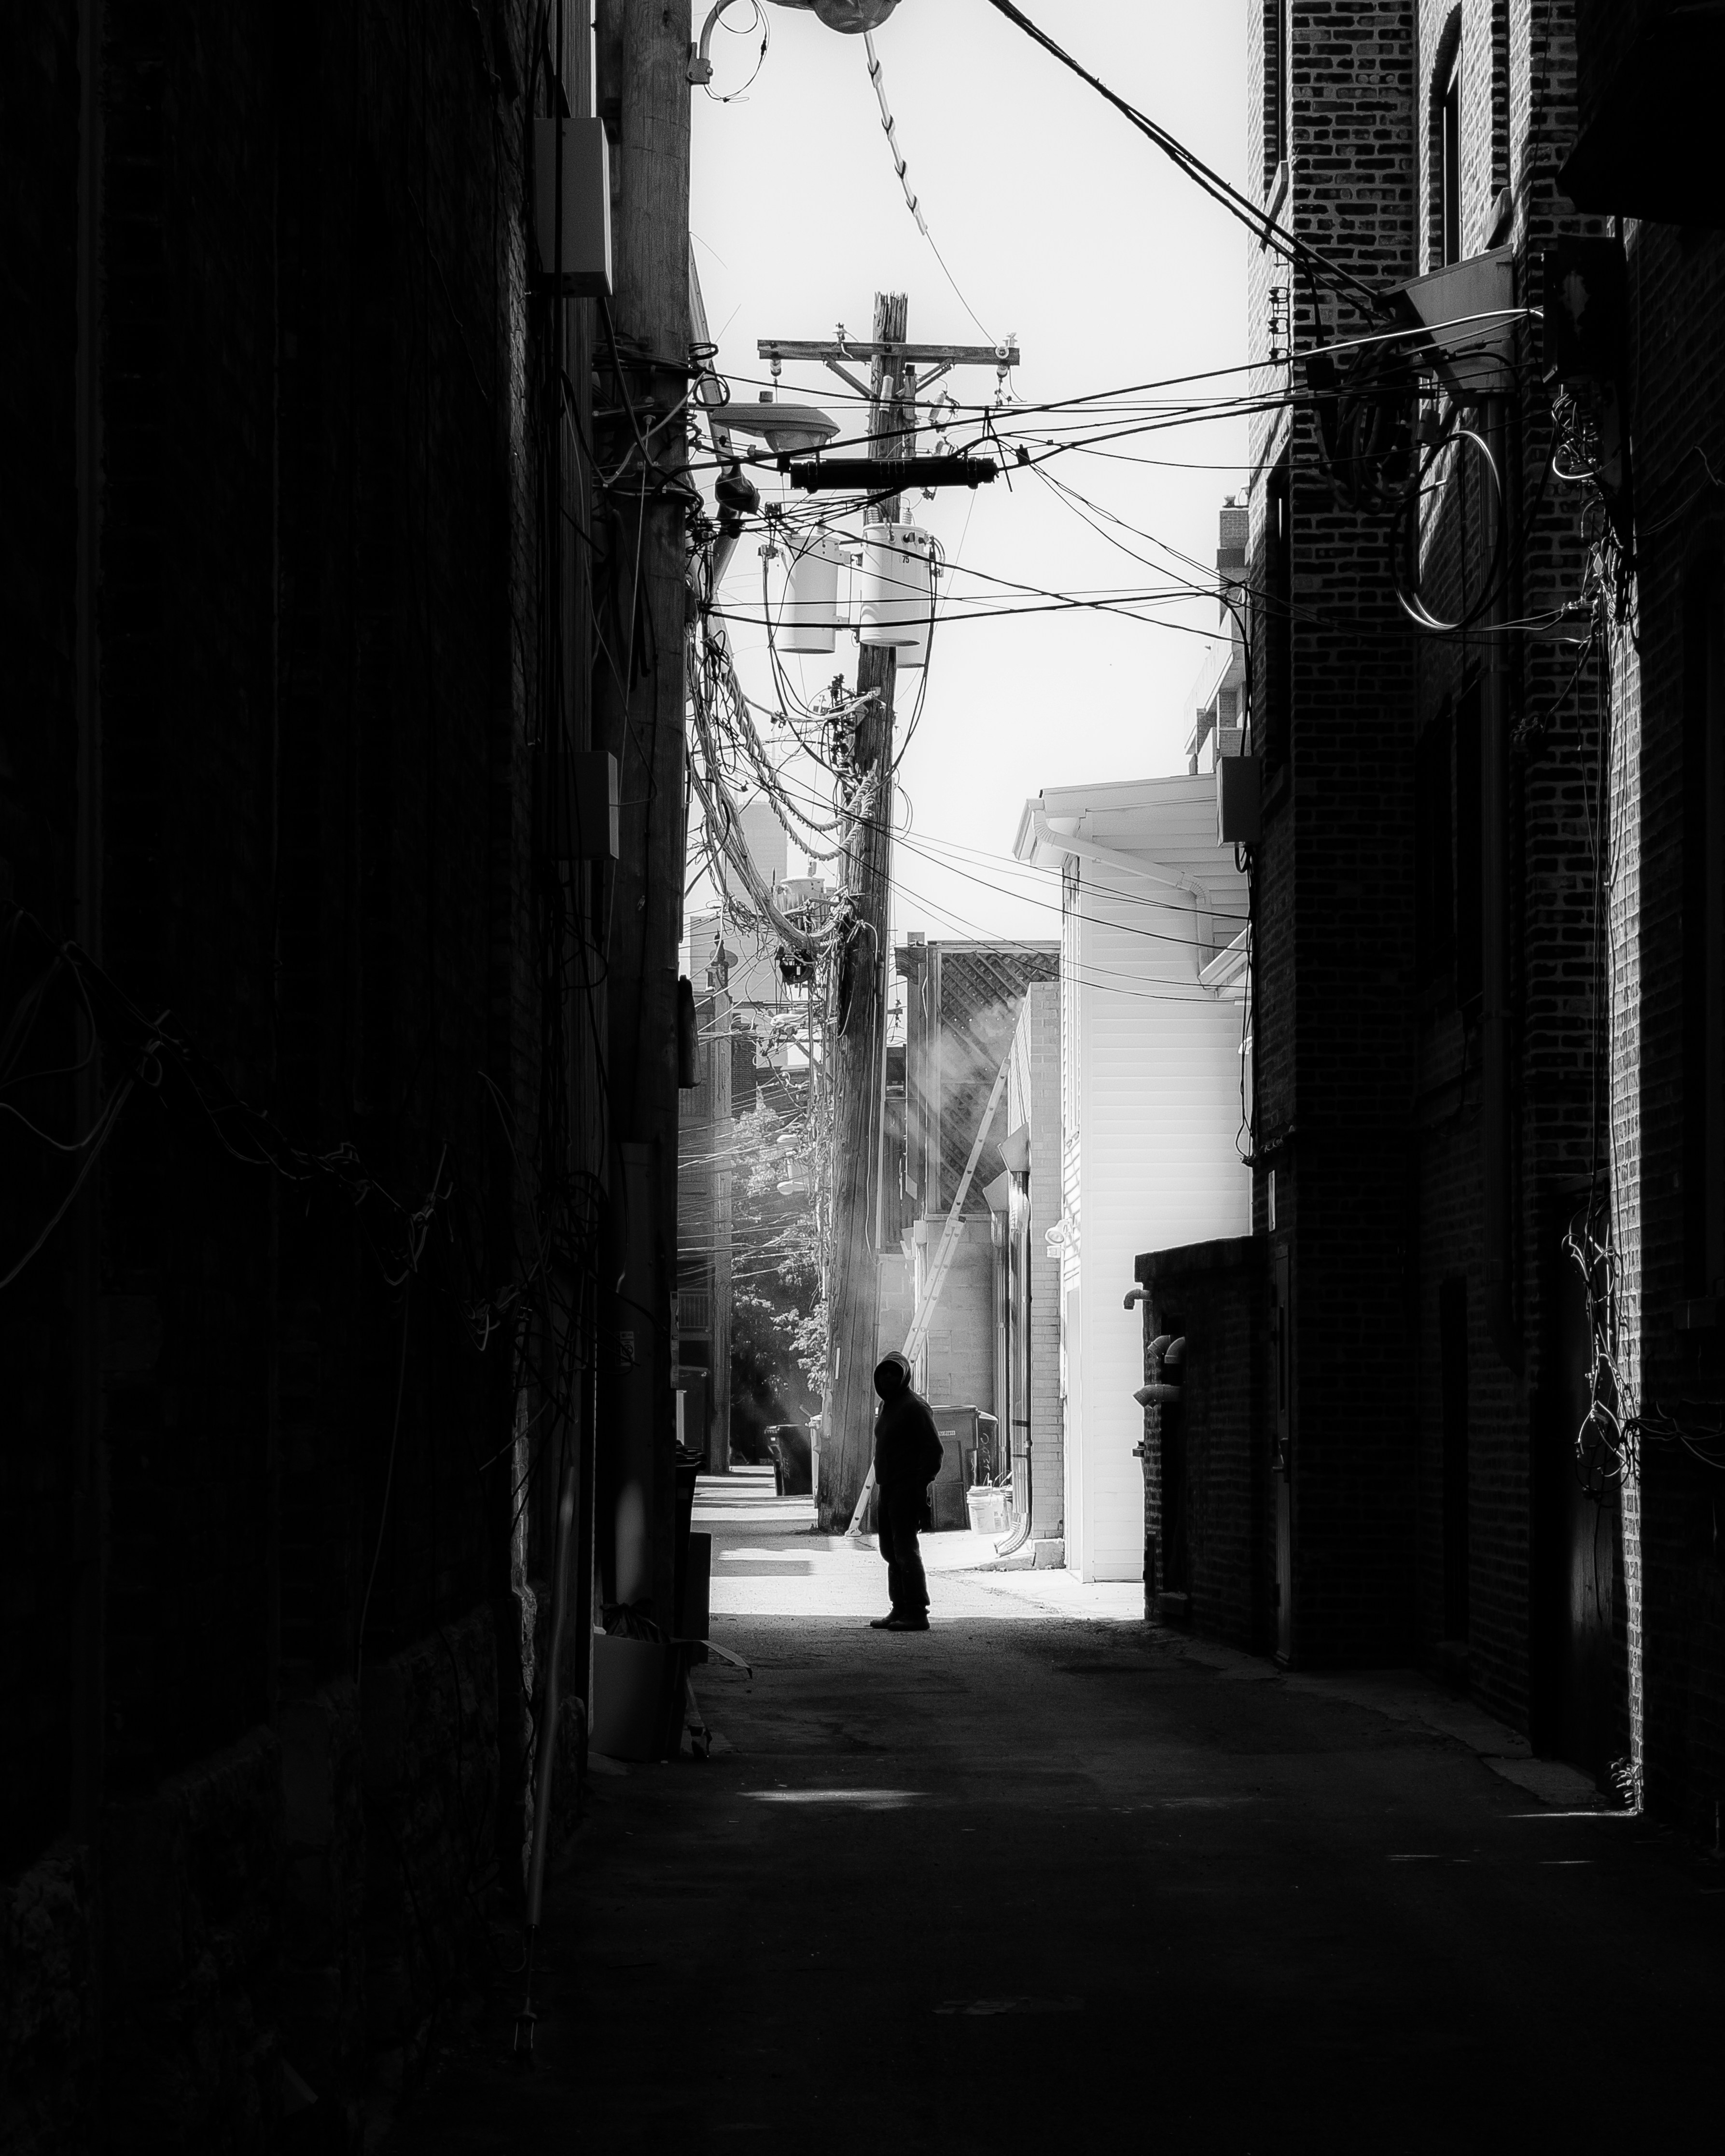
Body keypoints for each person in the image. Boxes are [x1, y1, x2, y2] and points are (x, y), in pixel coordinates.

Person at [869, 1351, 943, 1632]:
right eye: (884, 1373)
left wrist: (920, 1486)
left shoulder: (915, 1407)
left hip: (906, 1488)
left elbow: (934, 1450)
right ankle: (899, 1608)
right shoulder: (888, 1405)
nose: (888, 1377)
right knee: (890, 1551)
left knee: (905, 1550)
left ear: (905, 1376)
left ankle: (917, 1612)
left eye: (894, 1373)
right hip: (888, 1487)